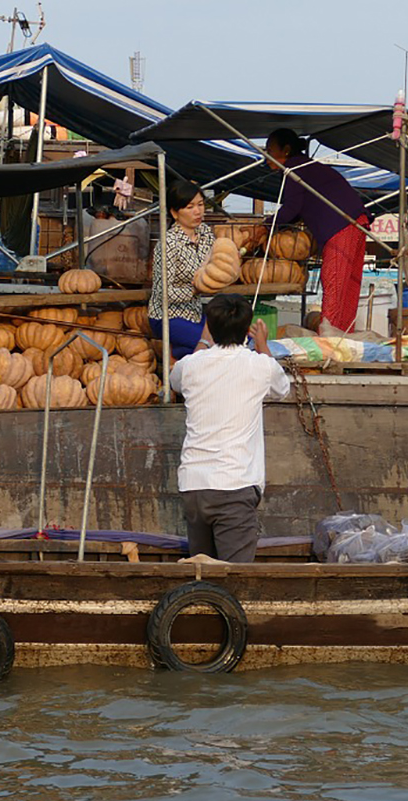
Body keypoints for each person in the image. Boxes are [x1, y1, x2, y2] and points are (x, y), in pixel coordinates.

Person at [168, 294, 291, 563]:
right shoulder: (260, 365)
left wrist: (203, 340)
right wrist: (262, 345)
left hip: (194, 487)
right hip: (234, 487)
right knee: (234, 579)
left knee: (201, 576)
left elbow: (174, 381)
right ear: (247, 330)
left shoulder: (190, 365)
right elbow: (282, 389)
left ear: (210, 327)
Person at [261, 128, 369, 336]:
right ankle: (343, 336)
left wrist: (266, 226)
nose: (266, 156)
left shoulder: (294, 168)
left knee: (334, 282)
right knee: (347, 287)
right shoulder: (307, 167)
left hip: (342, 226)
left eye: (269, 150)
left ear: (286, 150)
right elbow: (298, 208)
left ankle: (330, 340)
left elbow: (292, 207)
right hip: (356, 222)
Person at [150, 180, 216, 361]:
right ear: (174, 212)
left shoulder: (206, 234)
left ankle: (180, 353)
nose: (198, 211)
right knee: (218, 345)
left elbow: (214, 266)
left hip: (195, 314)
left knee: (240, 339)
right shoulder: (168, 243)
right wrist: (195, 290)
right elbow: (163, 293)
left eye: (201, 205)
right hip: (167, 316)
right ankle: (180, 355)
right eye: (190, 207)